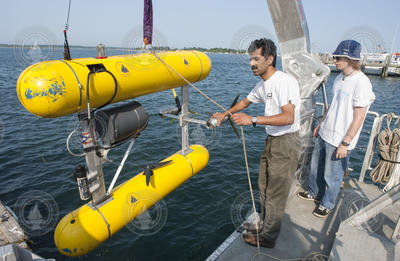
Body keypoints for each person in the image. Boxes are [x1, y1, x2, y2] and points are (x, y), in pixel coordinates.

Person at [213, 38, 301, 248]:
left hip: (285, 142)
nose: (251, 63)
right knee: (264, 185)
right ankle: (265, 225)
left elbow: (288, 117)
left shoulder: (283, 82)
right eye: (250, 59)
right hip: (272, 139)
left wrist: (252, 119)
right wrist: (225, 114)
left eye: (255, 59)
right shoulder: (264, 83)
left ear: (269, 59)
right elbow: (245, 102)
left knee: (276, 191)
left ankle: (268, 237)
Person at [298, 40, 375, 217]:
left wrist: (345, 143)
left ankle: (328, 203)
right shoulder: (340, 78)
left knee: (332, 175)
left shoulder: (362, 83)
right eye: (335, 56)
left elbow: (359, 116)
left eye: (338, 57)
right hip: (326, 132)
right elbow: (333, 106)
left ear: (350, 59)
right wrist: (321, 123)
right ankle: (314, 192)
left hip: (340, 139)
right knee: (316, 168)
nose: (335, 60)